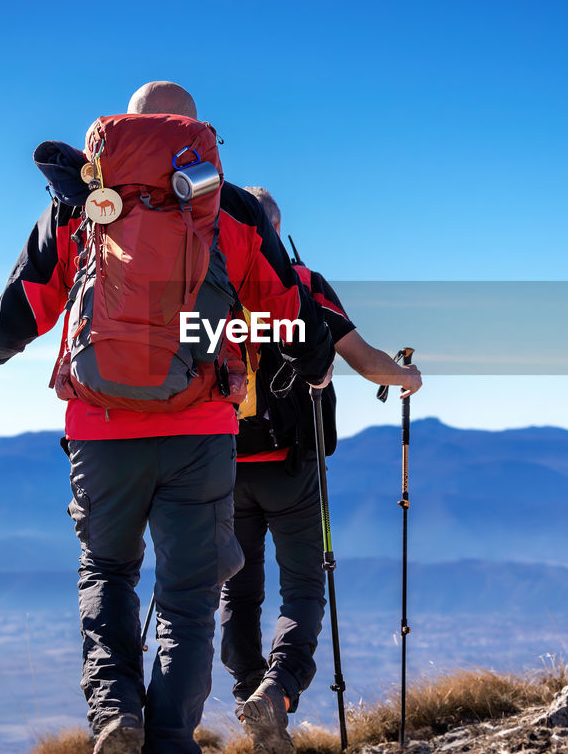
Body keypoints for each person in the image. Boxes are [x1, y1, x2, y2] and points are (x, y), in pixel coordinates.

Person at [0, 83, 336, 754]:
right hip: (200, 429)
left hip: (101, 428)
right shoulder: (232, 207)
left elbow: (28, 304)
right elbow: (286, 308)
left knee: (107, 573)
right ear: (197, 133)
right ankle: (167, 739)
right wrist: (315, 363)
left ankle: (114, 714)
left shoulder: (82, 201)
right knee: (189, 598)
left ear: (126, 129)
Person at [219, 186, 422, 754]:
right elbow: (367, 362)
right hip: (292, 466)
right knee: (304, 587)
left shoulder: (207, 284)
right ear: (275, 232)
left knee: (237, 589)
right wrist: (407, 378)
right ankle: (277, 691)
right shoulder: (302, 284)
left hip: (223, 465)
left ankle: (248, 695)